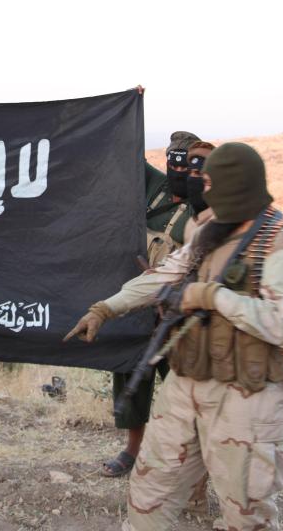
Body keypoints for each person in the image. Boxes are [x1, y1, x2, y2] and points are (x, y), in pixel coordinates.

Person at [66, 142, 283, 531]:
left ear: (236, 184)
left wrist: (213, 296)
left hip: (245, 400)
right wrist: (106, 308)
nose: (203, 188)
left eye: (211, 181)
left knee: (246, 512)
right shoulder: (207, 229)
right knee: (150, 493)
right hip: (186, 384)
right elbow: (162, 277)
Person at [101, 130, 201, 478]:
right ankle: (134, 449)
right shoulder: (154, 186)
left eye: (184, 166)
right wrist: (129, 106)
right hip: (137, 301)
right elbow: (126, 155)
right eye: (171, 163)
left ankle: (185, 460)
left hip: (178, 311)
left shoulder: (202, 207)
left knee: (183, 385)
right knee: (130, 374)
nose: (176, 173)